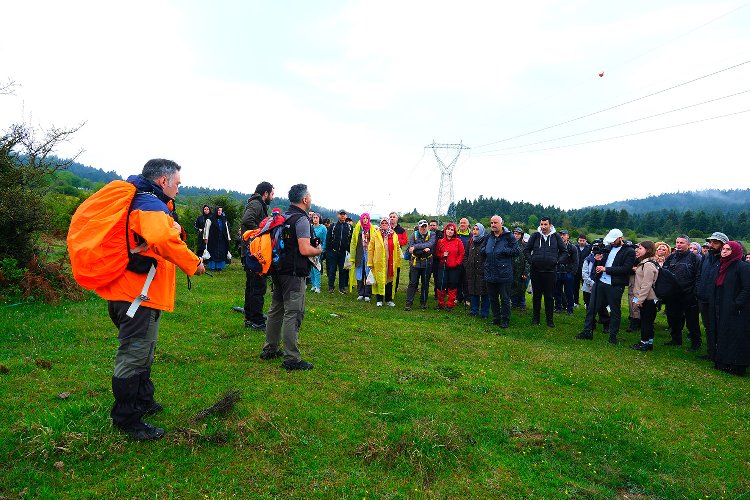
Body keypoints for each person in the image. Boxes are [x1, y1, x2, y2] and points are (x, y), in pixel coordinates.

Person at [103, 159, 205, 440]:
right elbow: (162, 238)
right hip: (137, 296)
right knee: (134, 355)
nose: (179, 190)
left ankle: (143, 401)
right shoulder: (149, 204)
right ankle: (127, 418)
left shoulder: (139, 199)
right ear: (163, 181)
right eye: (178, 184)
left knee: (143, 351)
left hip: (130, 291)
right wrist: (193, 262)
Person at [259, 183, 322, 371]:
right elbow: (304, 249)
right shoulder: (301, 220)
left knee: (276, 309)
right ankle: (291, 359)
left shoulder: (283, 216)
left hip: (278, 269)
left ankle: (270, 349)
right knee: (293, 313)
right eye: (309, 196)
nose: (310, 199)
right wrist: (318, 250)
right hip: (294, 273)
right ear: (304, 199)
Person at [576, 228, 636, 344]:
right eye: (611, 241)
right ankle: (587, 331)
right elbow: (601, 265)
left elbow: (626, 269)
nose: (612, 242)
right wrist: (598, 261)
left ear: (620, 238)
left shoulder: (629, 251)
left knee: (615, 310)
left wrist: (606, 269)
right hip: (600, 283)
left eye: (614, 240)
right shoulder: (607, 248)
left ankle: (613, 336)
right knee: (592, 307)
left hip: (615, 285)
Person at [712, 241, 750, 375]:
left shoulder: (743, 267)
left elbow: (747, 288)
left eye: (728, 249)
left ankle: (737, 365)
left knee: (737, 336)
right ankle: (724, 362)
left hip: (738, 309)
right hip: (723, 305)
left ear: (735, 252)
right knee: (724, 334)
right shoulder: (723, 266)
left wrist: (737, 303)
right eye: (723, 249)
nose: (724, 251)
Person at [241, 181, 274, 329]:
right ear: (265, 193)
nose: (272, 197)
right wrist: (261, 234)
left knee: (251, 285)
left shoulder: (256, 203)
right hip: (255, 252)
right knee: (257, 286)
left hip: (251, 252)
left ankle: (251, 314)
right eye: (272, 194)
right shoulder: (256, 204)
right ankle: (255, 320)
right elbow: (247, 220)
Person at [524, 217, 567, 327]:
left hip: (550, 272)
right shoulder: (535, 236)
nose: (543, 227)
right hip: (536, 271)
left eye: (545, 224)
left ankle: (550, 320)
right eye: (541, 224)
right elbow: (527, 250)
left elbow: (564, 252)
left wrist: (557, 261)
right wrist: (531, 261)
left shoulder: (556, 237)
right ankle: (535, 319)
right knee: (536, 296)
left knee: (549, 297)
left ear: (550, 225)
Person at [662, 235, 702, 351]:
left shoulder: (695, 259)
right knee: (673, 318)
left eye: (682, 243)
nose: (678, 244)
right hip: (673, 295)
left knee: (692, 321)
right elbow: (665, 273)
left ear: (688, 245)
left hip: (689, 294)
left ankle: (695, 343)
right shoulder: (671, 258)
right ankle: (676, 340)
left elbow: (699, 276)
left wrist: (695, 292)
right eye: (677, 242)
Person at [695, 231, 728, 361]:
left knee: (719, 326)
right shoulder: (707, 256)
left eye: (715, 242)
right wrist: (698, 289)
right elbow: (699, 274)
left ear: (723, 244)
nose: (711, 244)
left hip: (718, 299)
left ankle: (721, 353)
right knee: (708, 326)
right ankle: (711, 352)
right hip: (703, 298)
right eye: (710, 242)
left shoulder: (725, 259)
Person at [482, 216, 519, 328]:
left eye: (495, 222)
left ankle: (505, 319)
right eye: (492, 223)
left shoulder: (509, 237)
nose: (493, 225)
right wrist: (487, 251)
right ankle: (496, 318)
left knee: (505, 298)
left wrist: (503, 250)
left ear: (501, 223)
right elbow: (483, 249)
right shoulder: (489, 236)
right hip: (490, 271)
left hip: (504, 273)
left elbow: (516, 251)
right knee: (492, 298)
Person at [630, 241, 659, 351]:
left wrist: (640, 300)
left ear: (647, 250)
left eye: (640, 248)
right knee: (648, 321)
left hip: (648, 298)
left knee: (646, 322)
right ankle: (648, 342)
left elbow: (646, 285)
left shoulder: (648, 265)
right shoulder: (645, 263)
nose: (637, 250)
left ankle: (644, 343)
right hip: (647, 298)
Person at [368, 217, 402, 306]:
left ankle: (388, 300)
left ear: (388, 224)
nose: (384, 225)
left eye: (386, 223)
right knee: (380, 280)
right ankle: (379, 299)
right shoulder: (376, 234)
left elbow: (398, 249)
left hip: (390, 262)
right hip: (379, 262)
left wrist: (398, 261)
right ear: (380, 224)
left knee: (389, 280)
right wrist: (370, 262)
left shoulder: (393, 234)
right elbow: (370, 249)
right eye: (382, 223)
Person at [404, 220, 437, 311]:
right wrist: (423, 249)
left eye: (425, 226)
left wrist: (416, 247)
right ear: (418, 227)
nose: (424, 228)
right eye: (422, 226)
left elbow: (431, 244)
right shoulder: (413, 235)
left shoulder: (432, 234)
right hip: (415, 262)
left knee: (425, 283)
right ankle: (409, 302)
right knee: (412, 283)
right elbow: (411, 248)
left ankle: (423, 302)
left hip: (427, 263)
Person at [435, 222, 465, 309]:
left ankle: (450, 304)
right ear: (445, 230)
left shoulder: (458, 241)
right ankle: (440, 303)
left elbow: (462, 253)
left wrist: (457, 263)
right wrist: (442, 255)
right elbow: (437, 253)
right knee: (441, 284)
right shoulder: (440, 241)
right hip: (443, 266)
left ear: (454, 232)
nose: (450, 231)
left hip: (454, 267)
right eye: (448, 229)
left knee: (452, 285)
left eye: (452, 230)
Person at [464, 222, 489, 318]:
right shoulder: (471, 241)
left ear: (482, 230)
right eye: (473, 229)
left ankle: (484, 313)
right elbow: (466, 255)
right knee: (473, 291)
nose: (475, 231)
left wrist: (485, 267)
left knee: (485, 293)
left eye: (477, 229)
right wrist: (467, 265)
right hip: (472, 271)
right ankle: (474, 311)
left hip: (482, 271)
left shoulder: (486, 241)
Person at [349, 213, 375, 300]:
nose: (365, 220)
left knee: (368, 273)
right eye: (363, 218)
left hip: (369, 253)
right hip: (359, 253)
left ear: (368, 219)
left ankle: (367, 294)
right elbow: (353, 242)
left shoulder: (372, 228)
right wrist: (352, 256)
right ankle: (360, 293)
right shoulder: (357, 228)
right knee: (359, 273)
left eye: (366, 218)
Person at [326, 210, 352, 294]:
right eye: (341, 215)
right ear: (338, 216)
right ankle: (331, 287)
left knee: (343, 271)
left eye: (344, 215)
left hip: (344, 253)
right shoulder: (332, 226)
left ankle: (342, 288)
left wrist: (349, 251)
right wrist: (329, 251)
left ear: (346, 216)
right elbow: (328, 239)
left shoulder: (349, 227)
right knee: (332, 270)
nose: (342, 216)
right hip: (333, 252)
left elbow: (350, 240)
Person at [554, 230, 578, 315]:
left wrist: (572, 273)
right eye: (560, 235)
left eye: (564, 235)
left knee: (569, 292)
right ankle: (558, 307)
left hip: (568, 272)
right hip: (557, 271)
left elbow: (576, 262)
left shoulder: (572, 247)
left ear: (568, 236)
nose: (562, 236)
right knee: (557, 291)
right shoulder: (556, 247)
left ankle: (570, 309)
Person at [203, 206, 231, 271]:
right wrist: (205, 238)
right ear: (216, 211)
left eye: (221, 211)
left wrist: (228, 238)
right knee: (213, 252)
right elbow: (206, 229)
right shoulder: (210, 219)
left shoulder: (224, 219)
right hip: (213, 238)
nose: (220, 212)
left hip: (222, 238)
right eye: (218, 210)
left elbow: (226, 229)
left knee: (221, 252)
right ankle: (213, 267)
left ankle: (219, 267)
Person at [510, 227, 530, 310]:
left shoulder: (525, 246)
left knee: (522, 288)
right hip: (511, 270)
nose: (516, 235)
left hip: (521, 271)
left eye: (518, 233)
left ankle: (522, 304)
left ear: (521, 235)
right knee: (512, 287)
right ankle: (514, 303)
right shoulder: (510, 244)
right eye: (515, 233)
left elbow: (528, 260)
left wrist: (525, 272)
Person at [389, 212, 409, 294]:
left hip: (397, 254)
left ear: (397, 219)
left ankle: (395, 289)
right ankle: (386, 289)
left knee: (396, 271)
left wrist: (396, 241)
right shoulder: (386, 228)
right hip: (387, 253)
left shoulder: (401, 230)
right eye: (390, 217)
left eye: (394, 217)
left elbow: (405, 241)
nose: (392, 218)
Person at [309, 213, 327, 293]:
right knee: (311, 268)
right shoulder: (310, 227)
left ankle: (317, 286)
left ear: (319, 218)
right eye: (314, 217)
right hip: (310, 249)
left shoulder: (323, 228)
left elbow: (325, 240)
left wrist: (322, 250)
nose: (315, 219)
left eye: (316, 217)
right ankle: (313, 285)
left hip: (318, 250)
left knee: (316, 268)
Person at [456, 217, 472, 303]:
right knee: (457, 279)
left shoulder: (471, 235)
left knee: (466, 281)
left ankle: (467, 298)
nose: (462, 224)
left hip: (467, 261)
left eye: (464, 223)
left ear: (468, 225)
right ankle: (458, 297)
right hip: (456, 261)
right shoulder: (455, 234)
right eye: (461, 222)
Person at [573, 234, 591, 307]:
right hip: (576, 270)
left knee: (586, 287)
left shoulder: (589, 248)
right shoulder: (574, 247)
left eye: (583, 241)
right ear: (578, 240)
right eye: (580, 240)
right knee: (575, 287)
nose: (582, 242)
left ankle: (586, 303)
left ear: (586, 241)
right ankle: (575, 302)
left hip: (585, 271)